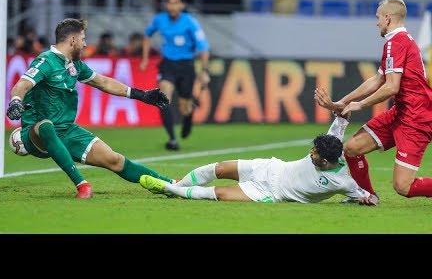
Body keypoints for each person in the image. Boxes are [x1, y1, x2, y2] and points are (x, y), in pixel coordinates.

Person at [6, 18, 173, 199]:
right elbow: (22, 84)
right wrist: (16, 100)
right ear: (72, 40)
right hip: (36, 134)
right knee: (46, 125)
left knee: (114, 160)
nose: (85, 44)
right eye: (83, 39)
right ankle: (82, 185)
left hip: (67, 130)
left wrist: (141, 95)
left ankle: (170, 184)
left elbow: (103, 82)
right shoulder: (45, 61)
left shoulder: (74, 65)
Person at [314, 0, 432, 205]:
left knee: (403, 187)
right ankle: (367, 195)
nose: (376, 22)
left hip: (416, 118)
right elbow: (377, 80)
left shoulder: (396, 43)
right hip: (402, 112)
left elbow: (391, 86)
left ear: (387, 18)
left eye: (378, 17)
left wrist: (359, 105)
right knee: (351, 148)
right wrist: (344, 101)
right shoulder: (397, 42)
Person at [139, 111, 378, 206]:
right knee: (220, 168)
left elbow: (368, 198)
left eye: (314, 154)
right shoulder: (330, 145)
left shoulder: (343, 182)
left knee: (220, 193)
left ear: (325, 161)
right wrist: (343, 111)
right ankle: (176, 186)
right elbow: (340, 123)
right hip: (269, 168)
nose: (310, 153)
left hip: (272, 193)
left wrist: (365, 200)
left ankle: (170, 188)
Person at [140, 0, 210, 151]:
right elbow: (147, 35)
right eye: (170, 3)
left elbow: (203, 48)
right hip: (168, 64)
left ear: (182, 5)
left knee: (184, 107)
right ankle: (172, 139)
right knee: (163, 98)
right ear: (166, 5)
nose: (172, 7)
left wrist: (205, 70)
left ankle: (188, 115)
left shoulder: (190, 22)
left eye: (175, 3)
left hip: (186, 66)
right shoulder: (159, 20)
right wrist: (145, 58)